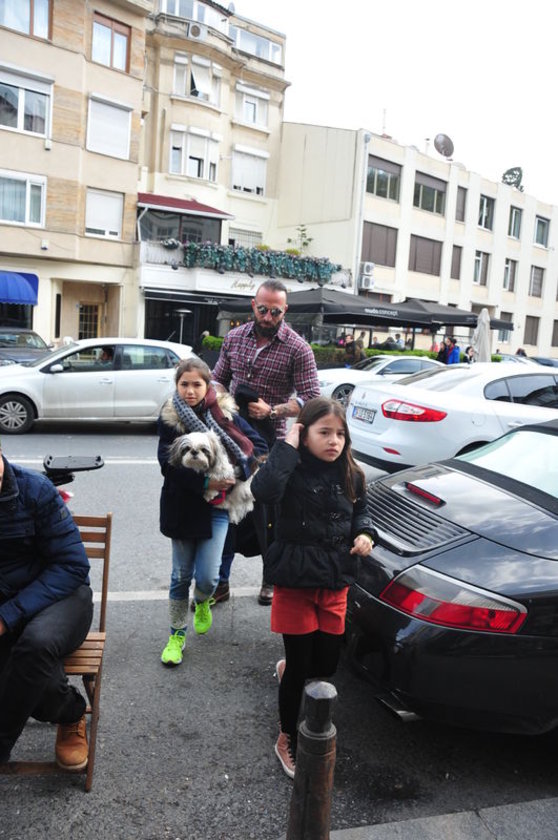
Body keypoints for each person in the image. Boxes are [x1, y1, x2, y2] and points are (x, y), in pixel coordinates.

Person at [251, 397, 374, 779]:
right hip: (296, 579)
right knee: (300, 667)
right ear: (304, 434)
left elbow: (361, 512)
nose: (334, 440)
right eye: (324, 432)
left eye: (340, 434)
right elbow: (264, 491)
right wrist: (287, 445)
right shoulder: (290, 469)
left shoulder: (352, 474)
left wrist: (365, 534)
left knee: (326, 665)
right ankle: (287, 736)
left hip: (335, 579)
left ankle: (290, 667)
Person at [212, 279, 320, 606]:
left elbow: (312, 399)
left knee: (268, 516)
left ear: (285, 310)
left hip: (272, 443)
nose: (268, 317)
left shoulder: (298, 348)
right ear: (253, 306)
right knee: (226, 509)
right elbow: (218, 378)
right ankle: (220, 582)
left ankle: (270, 579)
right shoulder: (234, 338)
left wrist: (273, 409)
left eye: (276, 312)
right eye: (263, 309)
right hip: (233, 437)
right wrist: (222, 398)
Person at [157, 358, 267, 667]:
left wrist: (238, 470)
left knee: (208, 577)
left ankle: (203, 599)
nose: (190, 391)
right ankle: (176, 635)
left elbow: (258, 445)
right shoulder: (169, 418)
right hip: (182, 506)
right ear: (177, 386)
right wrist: (206, 481)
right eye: (184, 384)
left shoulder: (226, 414)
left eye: (197, 384)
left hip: (220, 505)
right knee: (180, 576)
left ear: (208, 386)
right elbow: (167, 465)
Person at [0, 442, 93, 769]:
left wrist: (7, 616)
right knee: (34, 689)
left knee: (37, 643)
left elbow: (72, 566)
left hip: (63, 597)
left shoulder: (35, 490)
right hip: (10, 606)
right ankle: (71, 712)